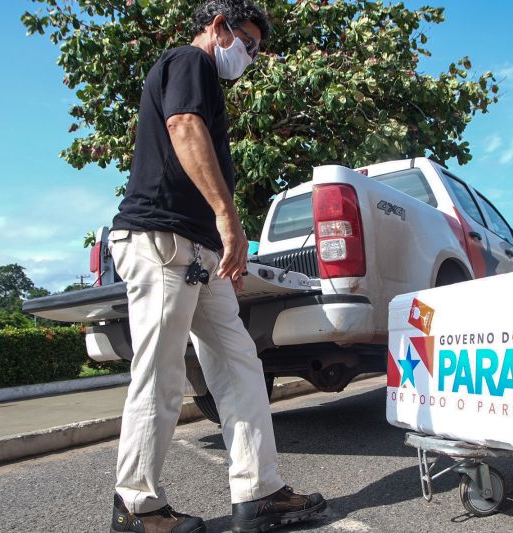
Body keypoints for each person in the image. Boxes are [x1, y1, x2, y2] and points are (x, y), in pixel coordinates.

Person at [106, 1, 326, 532]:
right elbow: (183, 125)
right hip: (163, 241)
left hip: (199, 252)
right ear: (218, 26)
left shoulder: (205, 76)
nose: (247, 55)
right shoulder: (190, 61)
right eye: (245, 43)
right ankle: (137, 507)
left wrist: (220, 231)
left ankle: (259, 491)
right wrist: (229, 217)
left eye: (253, 49)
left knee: (239, 367)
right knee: (160, 372)